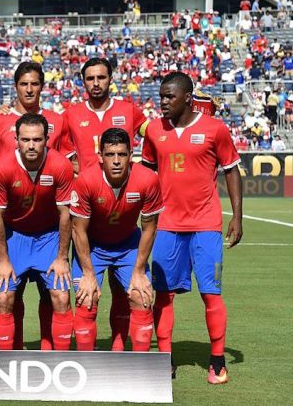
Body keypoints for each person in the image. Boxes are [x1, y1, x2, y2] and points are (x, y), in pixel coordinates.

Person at [142, 71, 243, 383]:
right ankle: (164, 358)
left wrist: (237, 216)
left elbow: (231, 170)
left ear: (187, 98)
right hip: (166, 225)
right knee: (163, 295)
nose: (163, 102)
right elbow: (145, 172)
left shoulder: (215, 128)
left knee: (211, 293)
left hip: (206, 225)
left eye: (169, 96)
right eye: (161, 96)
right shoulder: (154, 130)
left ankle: (216, 360)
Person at [0, 62, 67, 350]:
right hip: (9, 223)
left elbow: (70, 163)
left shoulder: (57, 121)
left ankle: (52, 353)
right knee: (10, 294)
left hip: (47, 221)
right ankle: (13, 350)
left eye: (34, 84)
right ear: (15, 86)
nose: (29, 89)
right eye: (23, 84)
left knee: (53, 294)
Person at [62, 57, 149, 351]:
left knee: (128, 292)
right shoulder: (71, 114)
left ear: (111, 78)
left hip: (123, 211)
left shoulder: (129, 110)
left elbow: (157, 134)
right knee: (87, 295)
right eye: (90, 78)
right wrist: (81, 173)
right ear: (82, 81)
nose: (96, 83)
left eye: (101, 77)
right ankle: (87, 362)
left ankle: (121, 348)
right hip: (89, 210)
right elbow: (56, 150)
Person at [69, 128, 163, 352]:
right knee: (86, 298)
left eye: (122, 154)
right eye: (110, 155)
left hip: (128, 244)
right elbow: (78, 230)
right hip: (93, 246)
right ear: (100, 157)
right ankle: (87, 368)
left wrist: (139, 271)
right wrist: (89, 274)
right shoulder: (85, 181)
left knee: (141, 297)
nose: (117, 161)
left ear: (131, 155)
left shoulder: (148, 180)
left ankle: (139, 371)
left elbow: (150, 228)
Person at [0, 113, 75, 351]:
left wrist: (62, 257)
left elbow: (66, 213)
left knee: (61, 296)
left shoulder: (60, 165)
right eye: (25, 139)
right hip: (14, 237)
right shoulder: (3, 167)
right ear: (16, 139)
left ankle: (61, 361)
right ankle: (7, 359)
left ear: (47, 139)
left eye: (37, 139)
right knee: (5, 297)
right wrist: (3, 260)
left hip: (49, 238)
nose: (31, 145)